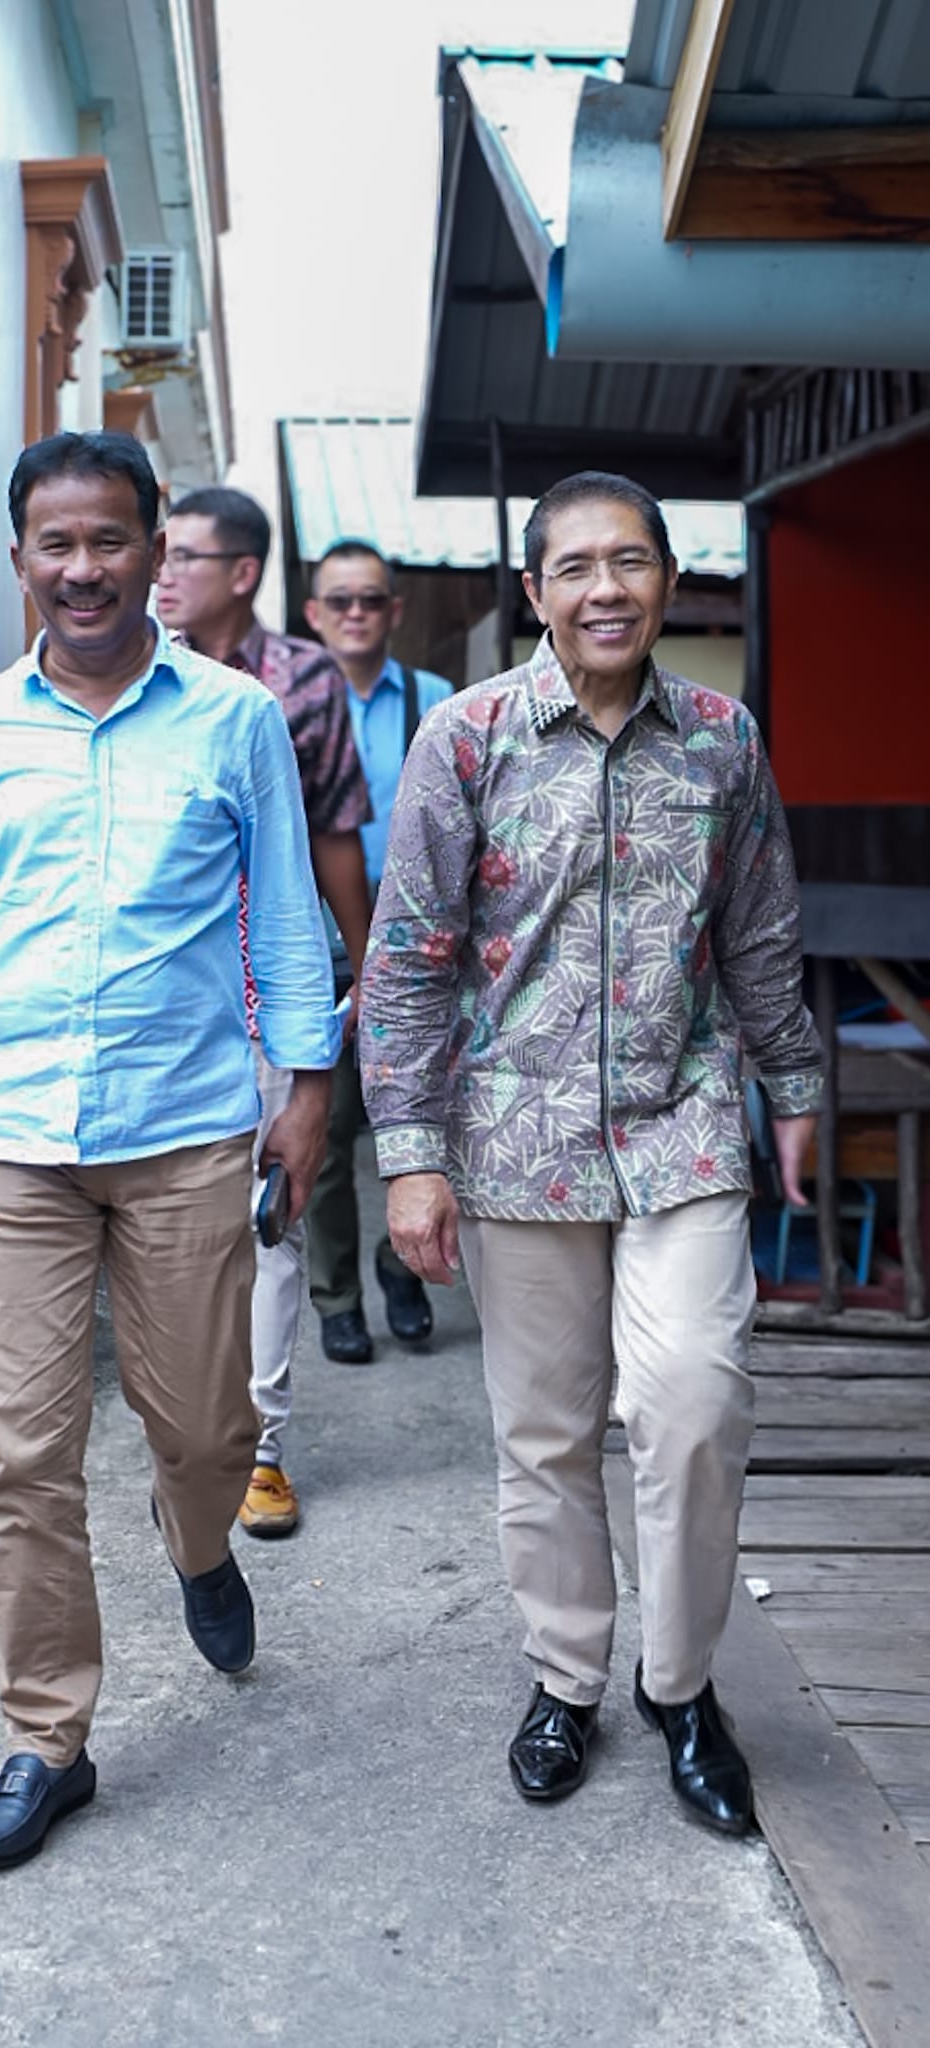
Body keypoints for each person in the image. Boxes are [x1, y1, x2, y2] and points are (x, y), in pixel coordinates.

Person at [0, 432, 339, 1870]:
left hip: (185, 1128)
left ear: (155, 555)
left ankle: (196, 1547)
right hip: (5, 1138)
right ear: (21, 562)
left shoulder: (233, 720)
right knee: (24, 1452)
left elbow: (286, 921)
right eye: (54, 545)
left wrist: (303, 1091)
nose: (82, 568)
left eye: (110, 541)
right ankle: (44, 1734)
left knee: (204, 1431)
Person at [360, 470, 823, 1836]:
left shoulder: (722, 741)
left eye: (628, 562)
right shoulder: (466, 741)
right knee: (543, 1431)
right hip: (515, 1136)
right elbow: (405, 964)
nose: (602, 589)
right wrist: (409, 1152)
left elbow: (756, 931)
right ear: (533, 592)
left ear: (668, 582)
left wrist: (789, 1083)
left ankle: (678, 1690)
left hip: (680, 1124)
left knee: (690, 1398)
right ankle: (564, 1678)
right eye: (573, 567)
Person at [156, 488, 372, 1539]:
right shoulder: (125, 670)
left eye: (183, 555)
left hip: (269, 986)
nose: (161, 573)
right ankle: (189, 1436)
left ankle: (260, 1449)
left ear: (242, 570)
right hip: (161, 1002)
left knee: (270, 1223)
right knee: (169, 1228)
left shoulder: (302, 683)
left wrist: (370, 970)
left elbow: (334, 832)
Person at [301, 541, 453, 1364]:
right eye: (339, 601)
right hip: (318, 955)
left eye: (370, 600)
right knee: (323, 1142)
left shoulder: (435, 705)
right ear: (313, 614)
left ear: (393, 611)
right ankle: (336, 1300)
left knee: (417, 1127)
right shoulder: (282, 705)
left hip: (415, 959)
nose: (355, 614)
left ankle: (401, 1268)